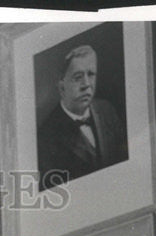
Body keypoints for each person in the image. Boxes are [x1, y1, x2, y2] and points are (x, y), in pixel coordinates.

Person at [37, 44, 128, 191]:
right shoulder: (46, 136)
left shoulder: (107, 111)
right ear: (62, 88)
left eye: (91, 74)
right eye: (78, 77)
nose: (86, 84)